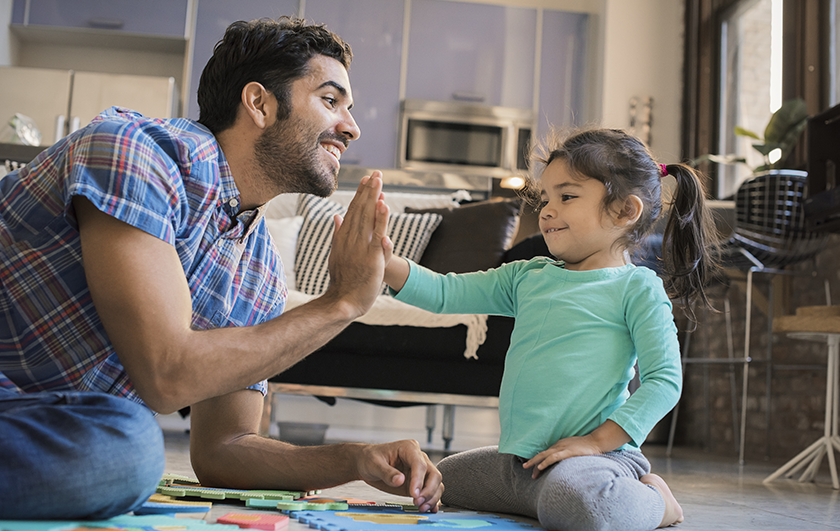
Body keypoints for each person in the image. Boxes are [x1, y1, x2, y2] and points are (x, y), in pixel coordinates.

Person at [0, 17, 442, 519]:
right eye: (330, 100)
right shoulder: (134, 152)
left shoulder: (259, 270)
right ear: (259, 103)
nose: (352, 126)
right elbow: (165, 374)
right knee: (128, 450)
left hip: (44, 423)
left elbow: (223, 448)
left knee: (123, 447)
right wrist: (340, 304)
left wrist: (355, 458)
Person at [382, 128, 720, 530]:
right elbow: (445, 292)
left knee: (586, 507)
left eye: (567, 196)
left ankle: (659, 502)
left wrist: (595, 443)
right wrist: (383, 261)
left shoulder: (636, 288)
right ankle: (544, 500)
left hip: (597, 460)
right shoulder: (527, 277)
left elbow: (664, 381)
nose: (546, 210)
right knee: (444, 480)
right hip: (522, 462)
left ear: (623, 211)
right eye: (546, 198)